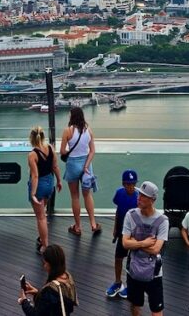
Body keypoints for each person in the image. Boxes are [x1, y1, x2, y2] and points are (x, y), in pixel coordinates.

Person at [122, 181, 169, 316]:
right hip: (133, 271)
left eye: (143, 196)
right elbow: (125, 243)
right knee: (135, 306)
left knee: (157, 310)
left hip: (154, 274)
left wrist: (135, 243)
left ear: (152, 200)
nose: (139, 198)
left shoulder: (163, 220)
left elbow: (156, 249)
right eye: (139, 195)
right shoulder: (130, 214)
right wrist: (144, 243)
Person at [60, 106, 101, 235]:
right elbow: (92, 151)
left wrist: (70, 151)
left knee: (75, 196)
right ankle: (93, 224)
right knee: (87, 195)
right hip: (86, 165)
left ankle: (77, 227)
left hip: (72, 164)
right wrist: (86, 166)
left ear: (72, 116)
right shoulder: (88, 130)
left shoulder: (67, 131)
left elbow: (62, 151)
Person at [28, 126, 62, 255]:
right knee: (43, 213)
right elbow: (55, 166)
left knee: (41, 217)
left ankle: (45, 246)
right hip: (49, 183)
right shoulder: (50, 148)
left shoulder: (32, 155)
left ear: (31, 138)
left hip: (40, 185)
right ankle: (42, 237)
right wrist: (59, 181)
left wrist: (33, 193)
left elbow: (35, 176)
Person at [18, 244, 78, 315]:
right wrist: (37, 293)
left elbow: (35, 314)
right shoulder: (68, 277)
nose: (44, 266)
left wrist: (24, 301)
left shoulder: (50, 290)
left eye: (45, 263)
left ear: (51, 264)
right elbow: (55, 302)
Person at [107, 169, 140, 299]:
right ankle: (117, 282)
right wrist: (115, 228)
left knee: (132, 260)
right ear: (123, 184)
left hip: (134, 234)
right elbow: (118, 210)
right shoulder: (119, 193)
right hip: (122, 232)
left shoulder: (138, 197)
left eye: (133, 184)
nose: (131, 187)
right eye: (128, 184)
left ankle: (131, 285)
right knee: (118, 258)